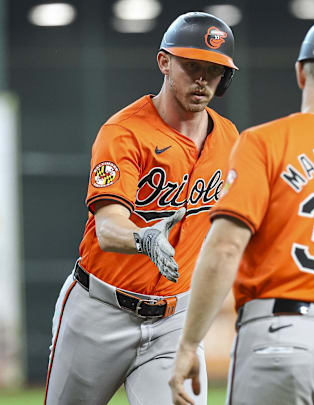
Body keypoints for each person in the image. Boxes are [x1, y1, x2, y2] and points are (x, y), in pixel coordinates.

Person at [169, 18, 314, 405]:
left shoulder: (264, 143)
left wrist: (188, 344)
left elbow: (226, 248)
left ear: (300, 73)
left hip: (280, 335)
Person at [44, 12, 240, 405]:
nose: (202, 79)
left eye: (214, 70)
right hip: (99, 311)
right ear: (164, 62)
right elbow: (108, 227)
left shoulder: (228, 138)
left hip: (174, 319)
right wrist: (145, 239)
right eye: (192, 66)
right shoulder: (125, 132)